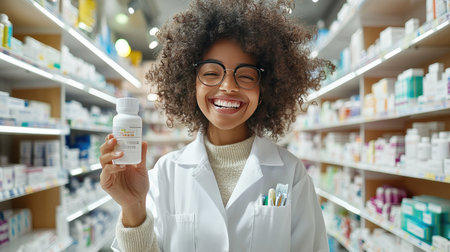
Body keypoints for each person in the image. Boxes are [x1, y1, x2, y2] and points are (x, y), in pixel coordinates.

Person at [99, 0, 334, 251]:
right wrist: (133, 206)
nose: (228, 87)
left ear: (265, 87)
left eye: (245, 75)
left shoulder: (291, 174)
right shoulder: (166, 174)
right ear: (191, 84)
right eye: (211, 73)